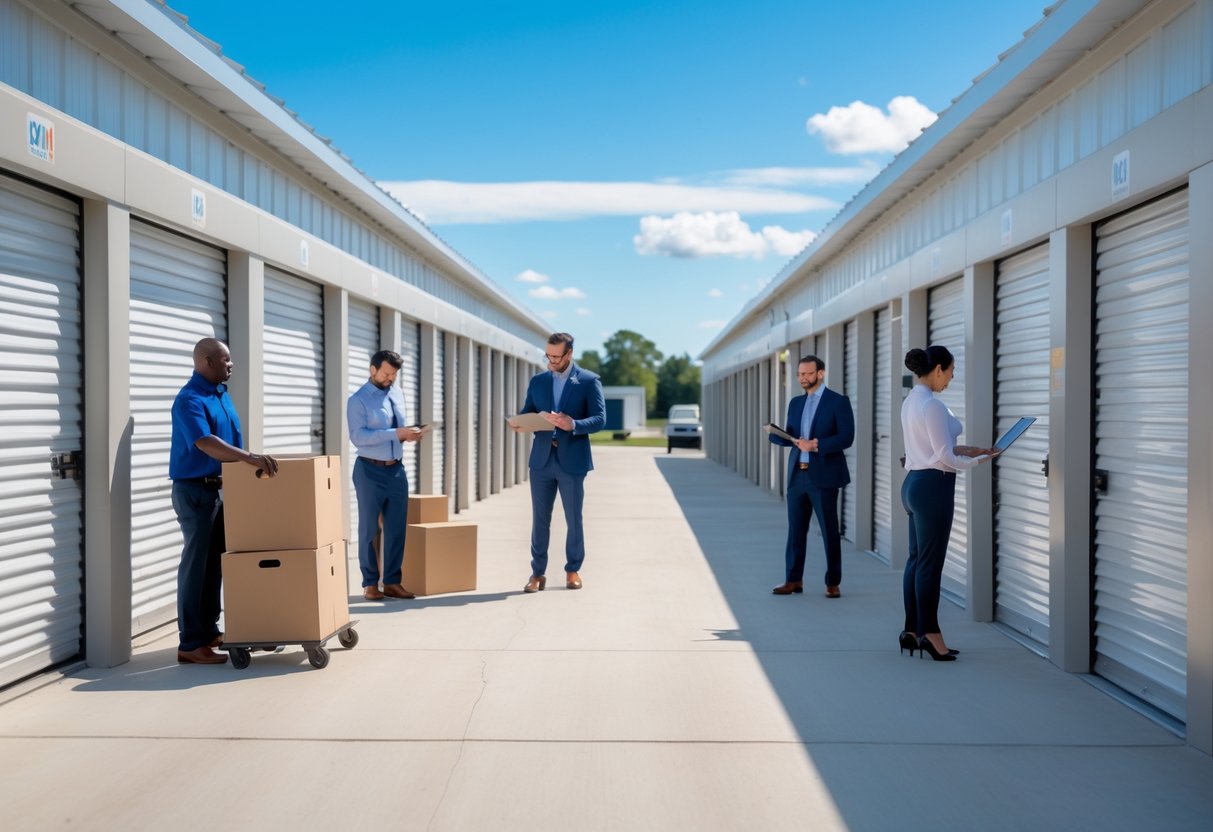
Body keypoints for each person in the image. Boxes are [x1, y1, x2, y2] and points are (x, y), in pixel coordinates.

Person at [170, 338, 278, 665]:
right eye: (226, 360)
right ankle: (190, 643)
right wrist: (250, 458)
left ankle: (208, 631)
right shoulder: (189, 399)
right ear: (207, 362)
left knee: (215, 564)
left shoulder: (220, 395)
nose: (231, 364)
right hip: (196, 492)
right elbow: (205, 442)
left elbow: (230, 442)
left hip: (220, 489)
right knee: (196, 567)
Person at [900, 345, 999, 661]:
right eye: (951, 372)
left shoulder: (910, 401)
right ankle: (931, 634)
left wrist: (968, 449)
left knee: (917, 560)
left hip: (914, 483)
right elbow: (943, 456)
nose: (951, 378)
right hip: (933, 487)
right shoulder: (932, 405)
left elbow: (934, 447)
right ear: (938, 369)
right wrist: (979, 461)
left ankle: (911, 631)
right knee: (930, 564)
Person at [511, 332, 605, 592]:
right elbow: (528, 411)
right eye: (548, 356)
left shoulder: (588, 381)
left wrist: (573, 424)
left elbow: (599, 419)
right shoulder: (538, 381)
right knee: (539, 520)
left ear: (569, 354)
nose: (551, 361)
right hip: (541, 460)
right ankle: (537, 574)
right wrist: (520, 423)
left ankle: (573, 570)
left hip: (572, 461)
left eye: (556, 357)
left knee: (574, 518)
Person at [768, 355, 855, 598]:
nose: (803, 378)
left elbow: (847, 437)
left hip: (824, 476)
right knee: (795, 531)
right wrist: (778, 436)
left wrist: (816, 445)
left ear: (820, 373)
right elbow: (793, 436)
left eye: (808, 373)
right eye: (800, 374)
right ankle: (793, 580)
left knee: (829, 531)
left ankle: (833, 583)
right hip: (797, 475)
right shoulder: (796, 403)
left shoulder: (837, 402)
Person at [347, 349, 426, 601]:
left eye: (394, 374)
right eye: (386, 373)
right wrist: (396, 434)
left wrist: (409, 434)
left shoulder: (397, 393)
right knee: (369, 529)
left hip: (396, 469)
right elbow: (358, 437)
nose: (390, 378)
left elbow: (397, 429)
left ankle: (392, 582)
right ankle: (370, 584)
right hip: (369, 470)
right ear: (373, 369)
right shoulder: (357, 400)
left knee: (396, 528)